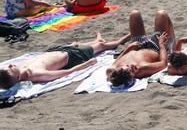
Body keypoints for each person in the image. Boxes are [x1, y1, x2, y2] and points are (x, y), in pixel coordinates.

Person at [0, 32, 130, 89]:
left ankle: (97, 40)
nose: (11, 64)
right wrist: (87, 63)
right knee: (100, 47)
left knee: (76, 43)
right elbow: (67, 72)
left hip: (56, 50)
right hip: (72, 57)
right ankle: (120, 41)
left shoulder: (20, 68)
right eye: (10, 68)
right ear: (17, 78)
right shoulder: (37, 74)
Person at [106, 10, 176, 87]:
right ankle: (173, 45)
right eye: (133, 70)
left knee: (134, 14)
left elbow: (117, 61)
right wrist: (161, 44)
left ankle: (171, 42)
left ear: (119, 69)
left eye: (128, 66)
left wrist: (128, 48)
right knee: (162, 14)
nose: (133, 66)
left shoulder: (111, 70)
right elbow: (163, 63)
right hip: (156, 47)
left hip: (136, 45)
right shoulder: (143, 69)